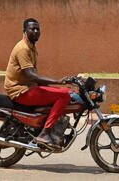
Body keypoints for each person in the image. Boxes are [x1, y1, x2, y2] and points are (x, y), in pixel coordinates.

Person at [4, 18, 73, 149]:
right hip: (20, 91)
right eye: (32, 29)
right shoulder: (23, 48)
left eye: (37, 29)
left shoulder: (31, 47)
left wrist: (56, 85)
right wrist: (58, 81)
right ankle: (45, 133)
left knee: (67, 92)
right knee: (64, 95)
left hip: (28, 87)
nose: (36, 31)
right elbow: (31, 75)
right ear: (24, 31)